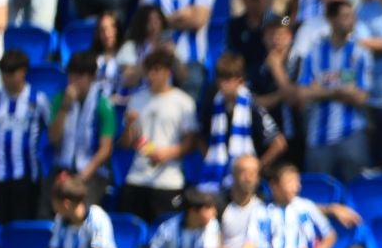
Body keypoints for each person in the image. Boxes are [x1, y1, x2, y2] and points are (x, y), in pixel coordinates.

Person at [118, 48, 198, 224]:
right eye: (149, 70)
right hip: (136, 178)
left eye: (157, 70)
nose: (151, 75)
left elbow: (190, 142)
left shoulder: (183, 102)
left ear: (167, 72)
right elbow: (126, 143)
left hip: (168, 181)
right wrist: (129, 125)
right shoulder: (136, 99)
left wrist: (168, 153)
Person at [296, 0, 372, 183]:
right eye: (345, 16)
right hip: (318, 136)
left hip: (352, 133)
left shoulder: (359, 54)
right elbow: (302, 93)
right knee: (319, 190)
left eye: (352, 16)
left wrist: (320, 91)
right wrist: (339, 91)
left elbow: (362, 97)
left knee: (357, 190)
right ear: (331, 19)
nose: (351, 21)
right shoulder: (313, 54)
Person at [0, 48, 51, 223]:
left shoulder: (38, 100)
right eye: (4, 73)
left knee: (22, 226)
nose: (6, 78)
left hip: (26, 177)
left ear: (23, 72)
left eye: (11, 73)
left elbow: (52, 133)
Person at [198, 52, 286, 191]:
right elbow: (200, 137)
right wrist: (211, 159)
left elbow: (279, 143)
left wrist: (255, 166)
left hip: (245, 183)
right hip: (217, 180)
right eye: (221, 78)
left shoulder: (252, 106)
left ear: (240, 80)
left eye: (229, 78)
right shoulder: (212, 105)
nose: (224, 84)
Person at [47, 52, 116, 208]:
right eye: (72, 75)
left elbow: (105, 149)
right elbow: (53, 138)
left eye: (80, 76)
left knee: (81, 211)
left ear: (91, 78)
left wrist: (82, 176)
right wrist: (64, 107)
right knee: (47, 208)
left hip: (91, 172)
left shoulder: (103, 104)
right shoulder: (59, 99)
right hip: (62, 168)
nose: (74, 81)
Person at [260, 161, 336, 248]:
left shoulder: (306, 207)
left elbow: (330, 235)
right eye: (290, 182)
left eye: (297, 182)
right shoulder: (263, 210)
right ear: (274, 186)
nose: (296, 186)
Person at [35, 176, 120, 248]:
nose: (52, 206)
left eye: (54, 202)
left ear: (66, 203)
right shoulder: (60, 220)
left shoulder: (97, 217)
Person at [140, 186, 221, 248]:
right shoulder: (169, 227)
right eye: (208, 207)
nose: (214, 212)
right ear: (193, 211)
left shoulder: (211, 226)